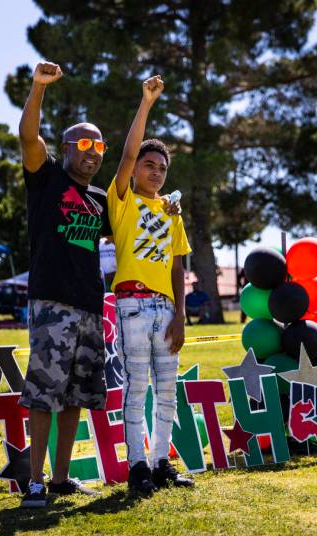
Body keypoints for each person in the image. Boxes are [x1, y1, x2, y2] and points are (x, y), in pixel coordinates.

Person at [18, 61, 110, 508]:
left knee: (75, 393)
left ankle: (60, 479)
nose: (93, 152)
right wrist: (38, 89)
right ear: (68, 147)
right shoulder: (48, 177)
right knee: (44, 392)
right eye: (85, 143)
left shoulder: (99, 199)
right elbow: (28, 138)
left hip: (90, 304)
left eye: (100, 147)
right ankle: (33, 482)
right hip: (52, 301)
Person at [107, 74, 195, 497]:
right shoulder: (122, 198)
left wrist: (181, 315)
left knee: (167, 392)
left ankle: (162, 463)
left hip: (166, 311)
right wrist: (146, 103)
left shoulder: (172, 211)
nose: (155, 173)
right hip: (131, 306)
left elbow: (178, 265)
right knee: (135, 388)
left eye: (162, 168)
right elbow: (126, 154)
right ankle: (137, 466)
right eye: (149, 165)